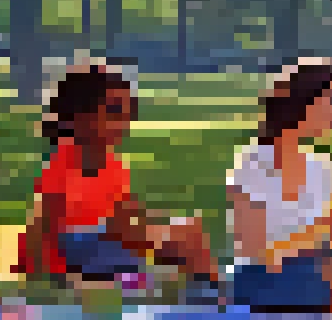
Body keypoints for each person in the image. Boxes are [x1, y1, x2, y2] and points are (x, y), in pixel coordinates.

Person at [22, 62, 222, 300]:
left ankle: (212, 293)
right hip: (75, 252)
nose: (125, 121)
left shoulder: (113, 163)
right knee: (173, 241)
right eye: (115, 111)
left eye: (129, 112)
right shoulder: (62, 164)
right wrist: (60, 280)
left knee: (189, 230)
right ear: (81, 116)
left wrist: (160, 228)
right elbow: (42, 232)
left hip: (106, 244)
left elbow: (125, 216)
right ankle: (206, 293)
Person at [226, 59, 332, 314]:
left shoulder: (323, 167)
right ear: (304, 103)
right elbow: (254, 249)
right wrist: (323, 229)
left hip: (312, 271)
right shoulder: (255, 162)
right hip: (259, 278)